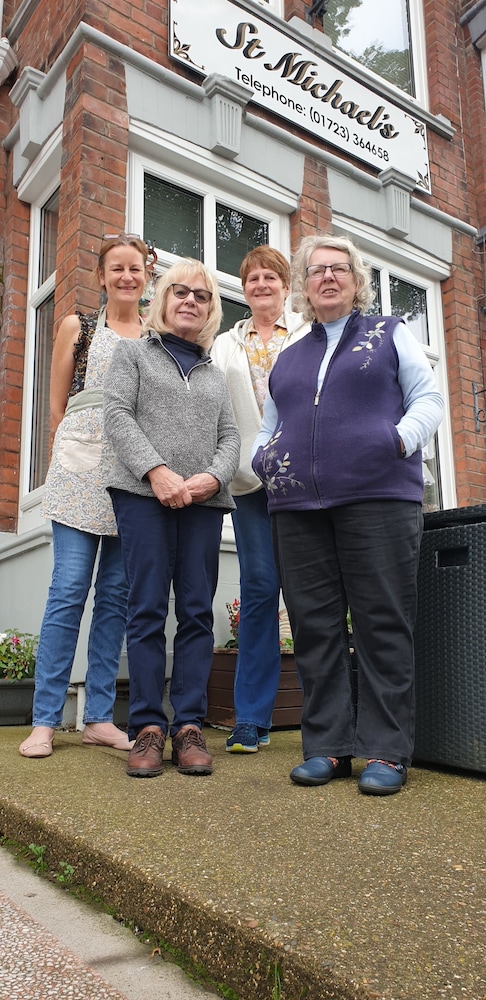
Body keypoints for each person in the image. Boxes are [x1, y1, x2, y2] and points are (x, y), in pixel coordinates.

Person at [251, 233, 444, 795]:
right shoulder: (289, 356)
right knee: (314, 628)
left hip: (378, 497)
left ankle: (386, 751)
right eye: (317, 270)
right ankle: (328, 747)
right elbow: (269, 425)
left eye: (339, 268)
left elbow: (429, 400)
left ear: (357, 281)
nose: (328, 277)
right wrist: (264, 460)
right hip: (297, 506)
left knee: (382, 622)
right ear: (304, 286)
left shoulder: (389, 333)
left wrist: (396, 441)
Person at [19, 233, 156, 758]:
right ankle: (45, 721)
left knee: (116, 597)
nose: (126, 276)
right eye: (116, 268)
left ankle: (99, 716)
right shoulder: (78, 327)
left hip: (131, 477)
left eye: (135, 268)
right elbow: (57, 408)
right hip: (78, 469)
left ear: (146, 276)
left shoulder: (155, 338)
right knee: (68, 589)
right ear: (101, 276)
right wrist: (74, 452)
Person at [103, 259, 240, 779]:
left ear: (210, 309)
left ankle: (188, 726)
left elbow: (230, 437)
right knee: (146, 610)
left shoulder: (215, 373)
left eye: (201, 296)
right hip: (143, 497)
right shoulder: (133, 354)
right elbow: (117, 415)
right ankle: (146, 727)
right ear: (163, 299)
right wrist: (156, 472)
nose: (189, 301)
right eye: (180, 291)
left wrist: (212, 478)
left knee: (198, 613)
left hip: (204, 504)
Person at [211, 246, 309, 753]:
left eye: (271, 277)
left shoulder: (308, 334)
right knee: (258, 592)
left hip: (307, 482)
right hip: (250, 484)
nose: (262, 285)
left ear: (286, 287)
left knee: (311, 595)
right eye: (253, 278)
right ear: (243, 288)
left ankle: (326, 717)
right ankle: (251, 718)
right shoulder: (225, 344)